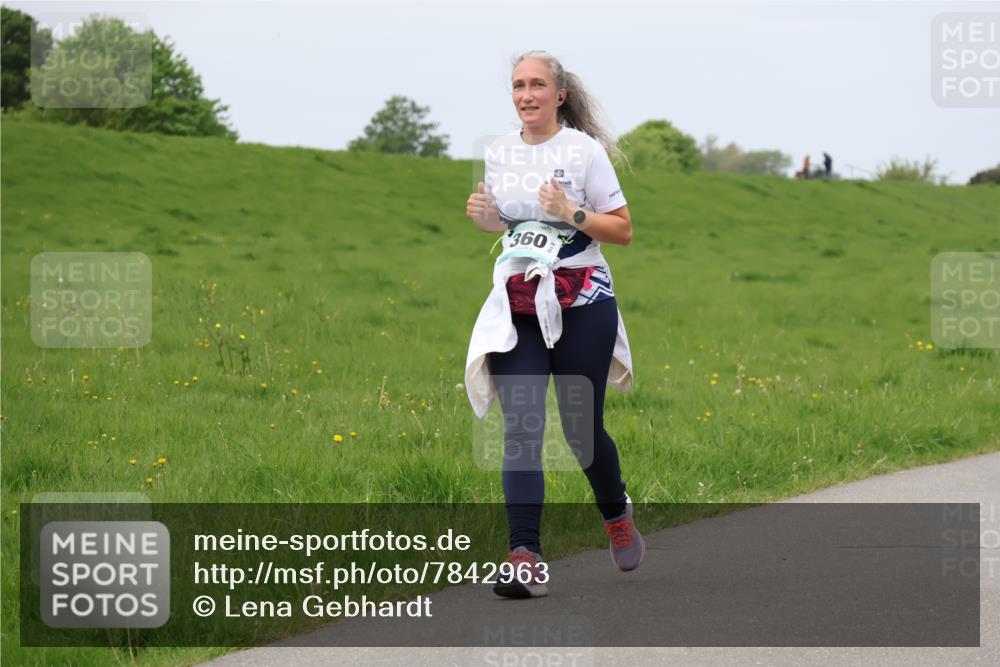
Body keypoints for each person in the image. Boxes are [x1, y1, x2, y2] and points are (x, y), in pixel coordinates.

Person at [464, 50, 644, 599]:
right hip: (519, 300)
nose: (526, 94)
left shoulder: (584, 152)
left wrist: (572, 213)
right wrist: (488, 219)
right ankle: (525, 557)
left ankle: (615, 512)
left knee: (580, 431)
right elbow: (513, 222)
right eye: (518, 85)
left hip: (583, 301)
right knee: (520, 427)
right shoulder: (499, 152)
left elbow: (623, 230)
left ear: (559, 94)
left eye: (537, 84)